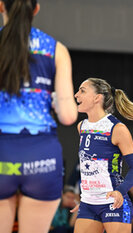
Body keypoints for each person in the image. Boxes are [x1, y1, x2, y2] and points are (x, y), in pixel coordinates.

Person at [0, 0, 77, 232]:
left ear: (1, 6)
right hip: (41, 157)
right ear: (36, 8)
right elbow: (68, 116)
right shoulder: (56, 49)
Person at [71, 77, 133, 233]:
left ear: (97, 98)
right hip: (88, 203)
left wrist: (120, 191)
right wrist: (88, 197)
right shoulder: (81, 127)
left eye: (82, 91)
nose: (76, 95)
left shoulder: (117, 128)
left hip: (113, 202)